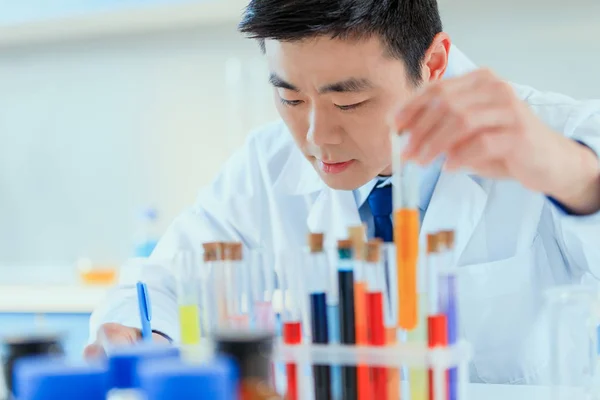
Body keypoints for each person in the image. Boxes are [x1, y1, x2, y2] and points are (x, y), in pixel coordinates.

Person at [86, 0, 600, 384]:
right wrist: (140, 334)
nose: (316, 138)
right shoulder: (266, 166)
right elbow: (167, 281)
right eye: (289, 97)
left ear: (435, 62)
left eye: (349, 103)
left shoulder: (560, 136)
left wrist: (575, 176)